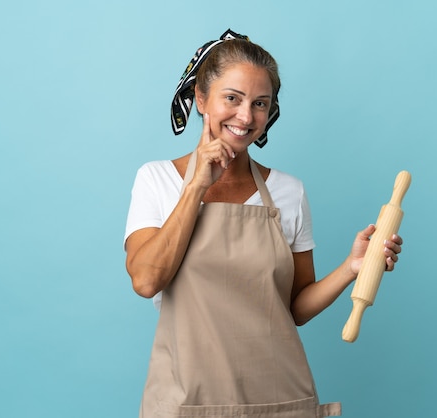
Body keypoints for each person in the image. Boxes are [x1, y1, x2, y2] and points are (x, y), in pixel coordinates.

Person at [124, 29, 403, 418]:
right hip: (188, 402)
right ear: (201, 99)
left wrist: (352, 268)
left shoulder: (289, 191)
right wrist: (197, 188)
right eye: (232, 98)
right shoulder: (157, 180)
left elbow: (295, 308)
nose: (245, 116)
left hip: (280, 401)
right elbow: (146, 280)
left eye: (260, 103)